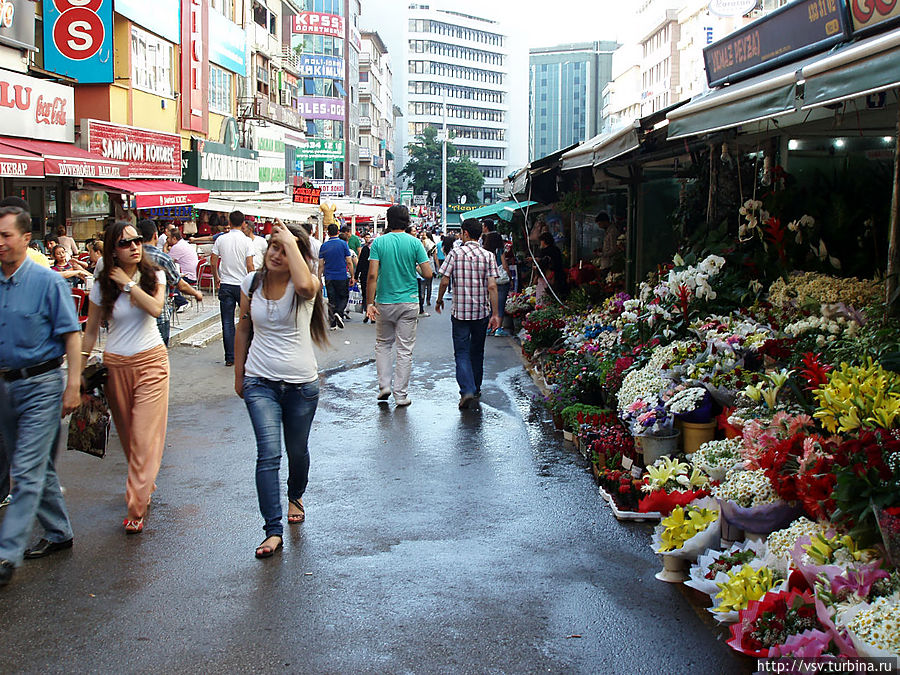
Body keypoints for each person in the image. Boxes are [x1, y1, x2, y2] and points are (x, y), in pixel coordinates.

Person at [234, 222, 330, 559]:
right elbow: (244, 328)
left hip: (301, 384)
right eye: (272, 246)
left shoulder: (306, 285)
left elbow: (305, 283)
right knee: (268, 455)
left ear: (297, 256)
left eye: (283, 248)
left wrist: (291, 240)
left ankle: (296, 494)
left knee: (297, 450)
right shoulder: (252, 283)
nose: (276, 253)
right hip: (260, 382)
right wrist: (239, 375)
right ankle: (272, 530)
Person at [0, 205, 81, 587]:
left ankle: (6, 554)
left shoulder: (48, 282)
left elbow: (72, 334)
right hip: (5, 387)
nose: (0, 243)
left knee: (25, 470)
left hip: (42, 385)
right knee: (32, 465)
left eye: (6, 235)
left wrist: (73, 385)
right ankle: (59, 531)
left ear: (25, 238)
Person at [81, 222, 168, 534]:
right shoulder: (102, 284)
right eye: (125, 243)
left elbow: (156, 309)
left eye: (137, 240)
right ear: (112, 251)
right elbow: (90, 330)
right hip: (115, 365)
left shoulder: (153, 275)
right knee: (131, 439)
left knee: (145, 436)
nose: (134, 246)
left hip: (152, 362)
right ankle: (145, 483)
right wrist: (79, 370)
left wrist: (129, 285)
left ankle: (135, 505)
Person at [365, 205, 432, 406]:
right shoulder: (415, 243)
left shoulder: (378, 243)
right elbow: (428, 274)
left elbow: (372, 275)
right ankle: (400, 395)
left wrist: (369, 302)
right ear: (407, 221)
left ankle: (384, 385)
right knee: (405, 349)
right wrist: (416, 267)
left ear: (388, 220)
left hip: (384, 301)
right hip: (409, 301)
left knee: (383, 344)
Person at [434, 219, 501, 409]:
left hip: (460, 313)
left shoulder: (455, 254)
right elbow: (492, 286)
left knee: (462, 353)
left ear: (464, 233)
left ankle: (467, 389)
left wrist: (439, 301)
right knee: (477, 351)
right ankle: (476, 387)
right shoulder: (488, 256)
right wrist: (496, 314)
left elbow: (445, 280)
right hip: (481, 312)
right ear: (480, 234)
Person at [137, 219, 203, 346]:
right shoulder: (162, 258)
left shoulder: (129, 258)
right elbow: (179, 283)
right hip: (159, 316)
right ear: (155, 235)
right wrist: (195, 293)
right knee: (158, 359)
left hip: (136, 317)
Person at [211, 211, 253, 366]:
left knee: (227, 322)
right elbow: (250, 265)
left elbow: (213, 259)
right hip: (243, 285)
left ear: (229, 221)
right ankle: (246, 354)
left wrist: (216, 277)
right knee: (247, 321)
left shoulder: (221, 239)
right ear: (243, 223)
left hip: (226, 284)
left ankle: (230, 357)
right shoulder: (247, 241)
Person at [318, 223, 353, 329]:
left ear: (328, 233)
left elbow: (320, 265)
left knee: (331, 299)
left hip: (329, 276)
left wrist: (319, 278)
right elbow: (349, 261)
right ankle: (339, 312)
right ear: (338, 232)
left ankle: (332, 323)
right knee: (343, 297)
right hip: (341, 275)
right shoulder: (343, 244)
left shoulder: (323, 246)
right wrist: (353, 276)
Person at [482, 232, 511, 337]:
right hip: (501, 280)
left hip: (489, 279)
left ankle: (488, 328)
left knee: (490, 304)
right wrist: (510, 276)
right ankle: (498, 328)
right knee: (500, 305)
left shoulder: (485, 251)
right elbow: (504, 265)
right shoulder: (500, 250)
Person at [356, 233, 372, 323]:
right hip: (374, 276)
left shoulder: (365, 249)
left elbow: (360, 263)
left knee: (366, 295)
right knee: (373, 295)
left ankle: (367, 313)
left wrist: (356, 275)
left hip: (364, 276)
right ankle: (372, 314)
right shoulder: (375, 250)